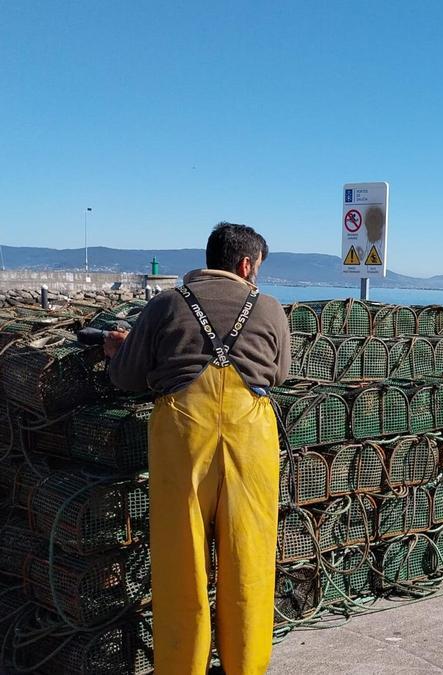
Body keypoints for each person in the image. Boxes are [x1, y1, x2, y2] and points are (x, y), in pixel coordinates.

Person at [106, 223, 291, 675]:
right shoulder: (268, 308)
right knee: (248, 558)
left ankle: (181, 666)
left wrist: (119, 351)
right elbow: (280, 373)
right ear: (247, 265)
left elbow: (127, 378)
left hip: (182, 440)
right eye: (257, 269)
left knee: (180, 563)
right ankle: (244, 667)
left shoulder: (166, 304)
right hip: (251, 442)